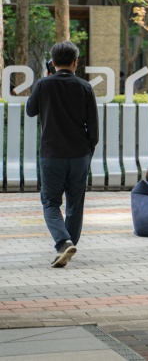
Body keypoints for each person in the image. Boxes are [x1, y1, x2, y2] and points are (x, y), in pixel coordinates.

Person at [26, 41, 99, 268]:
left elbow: (30, 110)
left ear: (53, 62)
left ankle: (63, 242)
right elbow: (93, 127)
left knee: (50, 202)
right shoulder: (85, 87)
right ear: (76, 62)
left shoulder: (43, 84)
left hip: (52, 154)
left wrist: (45, 77)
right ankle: (68, 244)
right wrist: (88, 152)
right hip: (79, 155)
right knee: (75, 204)